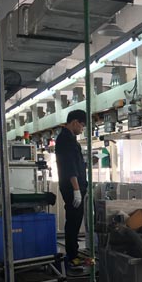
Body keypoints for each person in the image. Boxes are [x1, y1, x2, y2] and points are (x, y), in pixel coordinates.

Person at [55, 109, 88, 266]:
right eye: (82, 125)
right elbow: (69, 166)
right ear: (74, 122)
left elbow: (75, 163)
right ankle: (72, 255)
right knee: (73, 221)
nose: (82, 129)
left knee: (75, 220)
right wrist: (76, 190)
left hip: (75, 186)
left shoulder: (70, 139)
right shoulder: (65, 140)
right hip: (72, 187)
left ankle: (73, 252)